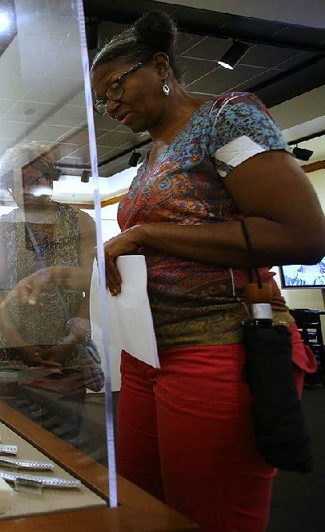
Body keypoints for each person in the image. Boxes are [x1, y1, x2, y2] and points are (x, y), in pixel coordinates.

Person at [88, 11, 325, 531]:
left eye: (116, 87)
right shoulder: (150, 159)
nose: (111, 105)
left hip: (218, 344)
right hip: (148, 351)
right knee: (140, 506)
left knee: (209, 515)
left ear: (159, 64)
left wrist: (145, 234)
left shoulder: (227, 117)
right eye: (103, 100)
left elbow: (302, 234)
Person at [0, 142, 98, 445]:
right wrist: (20, 344)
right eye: (12, 184)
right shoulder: (2, 226)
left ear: (49, 177)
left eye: (31, 180)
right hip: (12, 353)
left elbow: (95, 286)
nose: (21, 191)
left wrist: (69, 340)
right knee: (10, 436)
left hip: (67, 354)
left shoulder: (81, 222)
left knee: (64, 440)